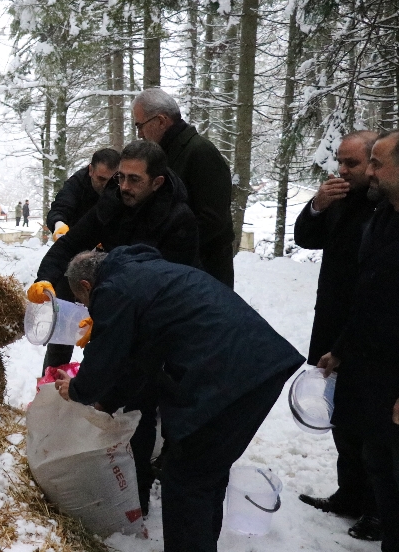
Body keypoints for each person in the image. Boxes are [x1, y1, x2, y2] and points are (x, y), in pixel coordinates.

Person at [55, 246, 304, 552]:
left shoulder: (114, 289)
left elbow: (109, 355)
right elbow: (139, 360)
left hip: (229, 374)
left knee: (187, 481)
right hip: (255, 364)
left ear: (86, 286)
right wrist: (106, 402)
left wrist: (79, 390)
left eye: (85, 303)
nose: (89, 309)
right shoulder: (143, 274)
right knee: (205, 473)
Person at [29, 139, 199, 515]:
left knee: (137, 399)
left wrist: (116, 323)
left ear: (156, 182)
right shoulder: (112, 202)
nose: (124, 187)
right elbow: (71, 243)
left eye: (134, 180)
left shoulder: (178, 219)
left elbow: (172, 286)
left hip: (153, 320)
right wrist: (47, 279)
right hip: (111, 304)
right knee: (103, 388)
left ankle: (135, 491)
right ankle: (94, 468)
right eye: (120, 178)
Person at [294, 131, 381, 540]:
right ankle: (350, 493)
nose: (342, 171)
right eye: (340, 163)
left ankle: (378, 508)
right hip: (332, 319)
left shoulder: (385, 207)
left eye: (353, 164)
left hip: (369, 328)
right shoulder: (339, 199)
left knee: (371, 422)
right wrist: (317, 205)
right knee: (340, 414)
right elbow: (305, 237)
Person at [319, 130, 399, 552]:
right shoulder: (377, 214)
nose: (362, 172)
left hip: (392, 369)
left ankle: (380, 516)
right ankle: (360, 502)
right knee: (362, 443)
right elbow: (366, 295)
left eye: (373, 163)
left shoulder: (383, 211)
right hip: (361, 351)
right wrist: (342, 348)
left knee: (387, 459)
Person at [131, 88, 235, 287]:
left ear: (161, 121)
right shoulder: (164, 155)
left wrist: (168, 244)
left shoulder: (200, 152)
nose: (140, 134)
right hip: (178, 267)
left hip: (204, 271)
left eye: (140, 125)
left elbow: (213, 220)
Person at [45, 148, 122, 241]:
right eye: (101, 179)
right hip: (78, 240)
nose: (106, 185)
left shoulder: (124, 184)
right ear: (91, 170)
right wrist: (59, 225)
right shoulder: (76, 183)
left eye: (113, 181)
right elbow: (60, 208)